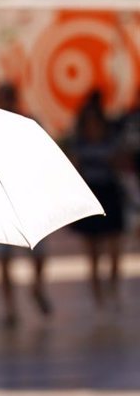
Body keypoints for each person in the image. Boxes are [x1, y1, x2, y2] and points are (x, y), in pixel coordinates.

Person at [0, 84, 52, 327]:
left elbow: (44, 155)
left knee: (38, 253)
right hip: (2, 200)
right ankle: (10, 308)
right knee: (3, 258)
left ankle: (35, 288)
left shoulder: (28, 123)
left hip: (28, 198)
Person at [69, 91, 127, 308]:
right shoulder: (80, 144)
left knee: (113, 250)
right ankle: (99, 299)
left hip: (110, 194)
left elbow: (121, 164)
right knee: (93, 254)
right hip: (92, 194)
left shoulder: (111, 139)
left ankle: (112, 290)